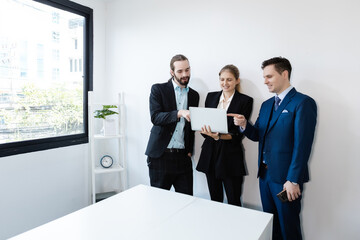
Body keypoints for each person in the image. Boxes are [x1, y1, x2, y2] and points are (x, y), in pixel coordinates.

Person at [231, 57, 317, 240]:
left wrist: (293, 179)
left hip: (286, 181)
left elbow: (302, 146)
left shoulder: (303, 103)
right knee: (272, 228)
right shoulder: (267, 104)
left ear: (284, 74)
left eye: (269, 76)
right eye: (264, 77)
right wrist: (245, 124)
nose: (265, 81)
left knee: (289, 229)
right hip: (265, 178)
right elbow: (257, 135)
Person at [196, 64, 253, 206]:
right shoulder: (211, 97)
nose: (225, 83)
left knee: (233, 200)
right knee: (215, 201)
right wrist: (206, 131)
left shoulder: (245, 101)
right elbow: (206, 124)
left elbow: (238, 134)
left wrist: (218, 136)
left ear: (237, 81)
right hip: (210, 154)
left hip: (230, 156)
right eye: (222, 79)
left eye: (229, 79)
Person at [145, 54, 199, 195]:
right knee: (160, 204)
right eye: (180, 71)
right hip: (160, 156)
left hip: (183, 158)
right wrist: (179, 113)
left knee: (187, 203)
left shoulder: (194, 95)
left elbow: (190, 127)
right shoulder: (158, 89)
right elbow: (155, 117)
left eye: (187, 70)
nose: (185, 74)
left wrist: (189, 149)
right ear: (172, 72)